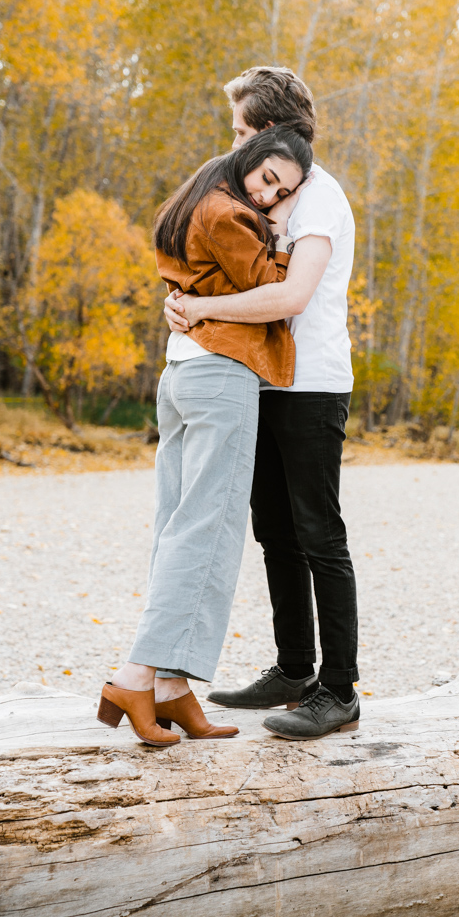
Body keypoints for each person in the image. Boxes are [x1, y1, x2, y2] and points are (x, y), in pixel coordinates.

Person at [97, 126, 312, 746]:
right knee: (209, 529)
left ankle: (171, 690)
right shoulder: (227, 213)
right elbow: (273, 289)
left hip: (185, 369)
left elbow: (204, 285)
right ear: (246, 158)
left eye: (284, 190)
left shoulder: (193, 200)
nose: (271, 196)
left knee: (178, 524)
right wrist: (284, 229)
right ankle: (137, 675)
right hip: (222, 371)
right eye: (268, 179)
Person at [164, 66, 360, 740]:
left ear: (272, 130)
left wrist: (200, 309)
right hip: (266, 380)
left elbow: (289, 297)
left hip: (313, 386)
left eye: (243, 128)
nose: (235, 140)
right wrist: (185, 302)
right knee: (275, 531)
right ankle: (293, 668)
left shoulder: (321, 199)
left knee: (319, 534)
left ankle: (338, 690)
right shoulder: (271, 196)